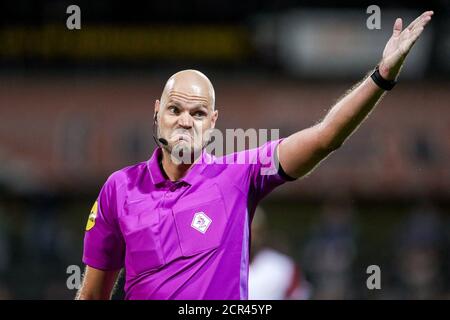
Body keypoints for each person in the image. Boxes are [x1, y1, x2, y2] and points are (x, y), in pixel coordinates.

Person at [76, 11, 433, 299]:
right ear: (157, 112)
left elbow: (325, 136)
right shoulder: (119, 189)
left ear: (212, 122)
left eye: (198, 113)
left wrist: (381, 76)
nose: (185, 121)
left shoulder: (239, 175)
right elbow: (92, 295)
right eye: (175, 109)